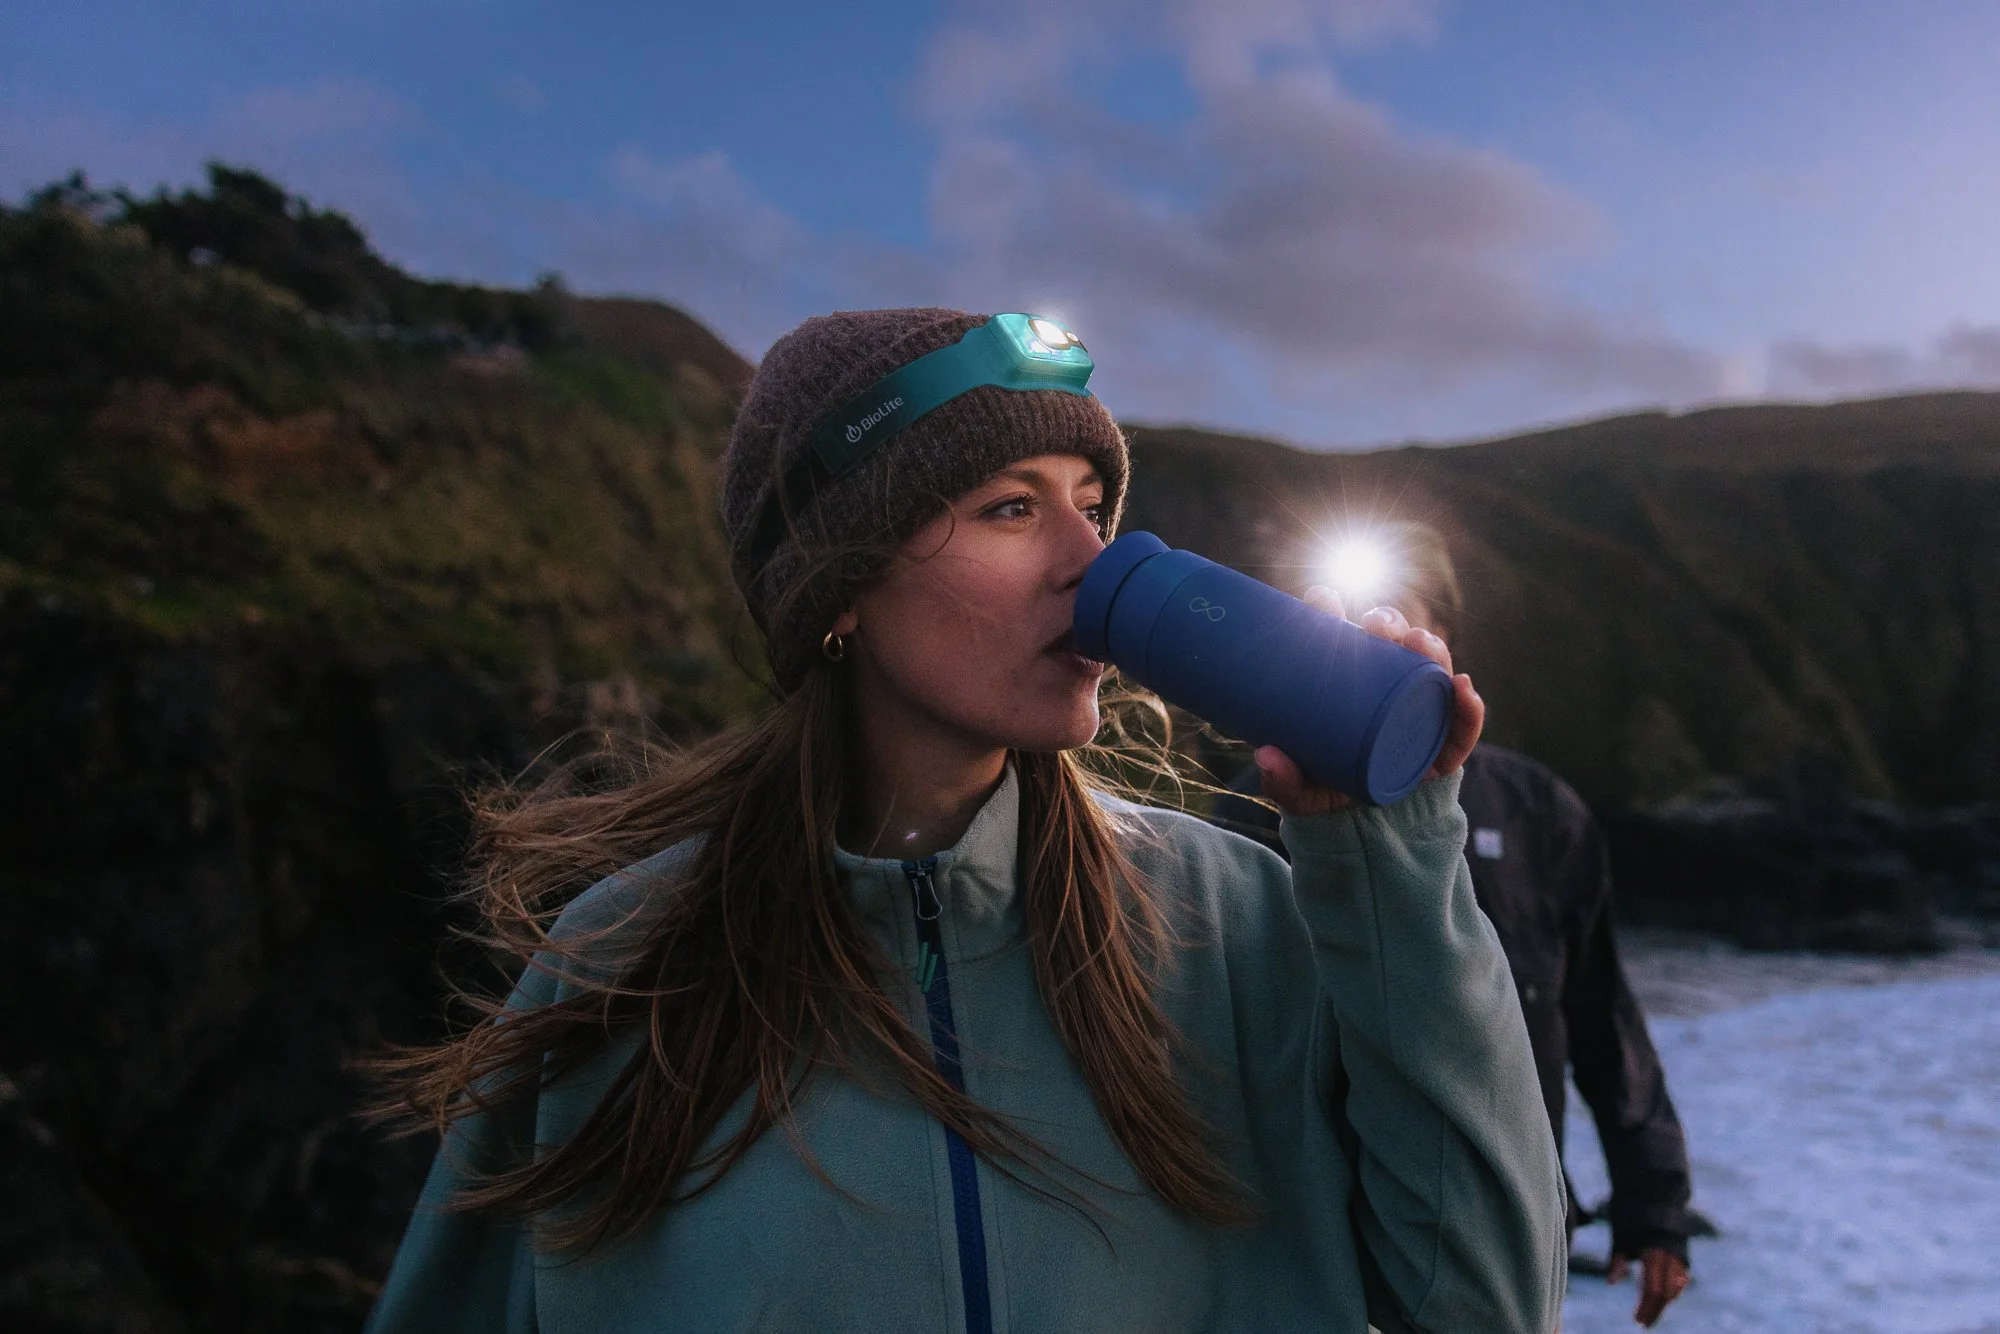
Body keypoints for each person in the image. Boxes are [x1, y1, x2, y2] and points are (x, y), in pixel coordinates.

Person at [363, 310, 1565, 1334]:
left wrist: (1389, 857)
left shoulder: (1235, 921)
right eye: (1008, 507)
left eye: (1090, 505)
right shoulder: (623, 961)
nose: (1091, 561)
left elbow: (1486, 1304)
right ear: (838, 586)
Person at [1213, 522, 1697, 1329]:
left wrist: (1655, 1204)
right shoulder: (1246, 810)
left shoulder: (1539, 812)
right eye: (1346, 616)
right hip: (1309, 1255)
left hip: (1499, 1249)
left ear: (1441, 637)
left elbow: (1600, 1012)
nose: (1369, 634)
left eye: (1395, 611)